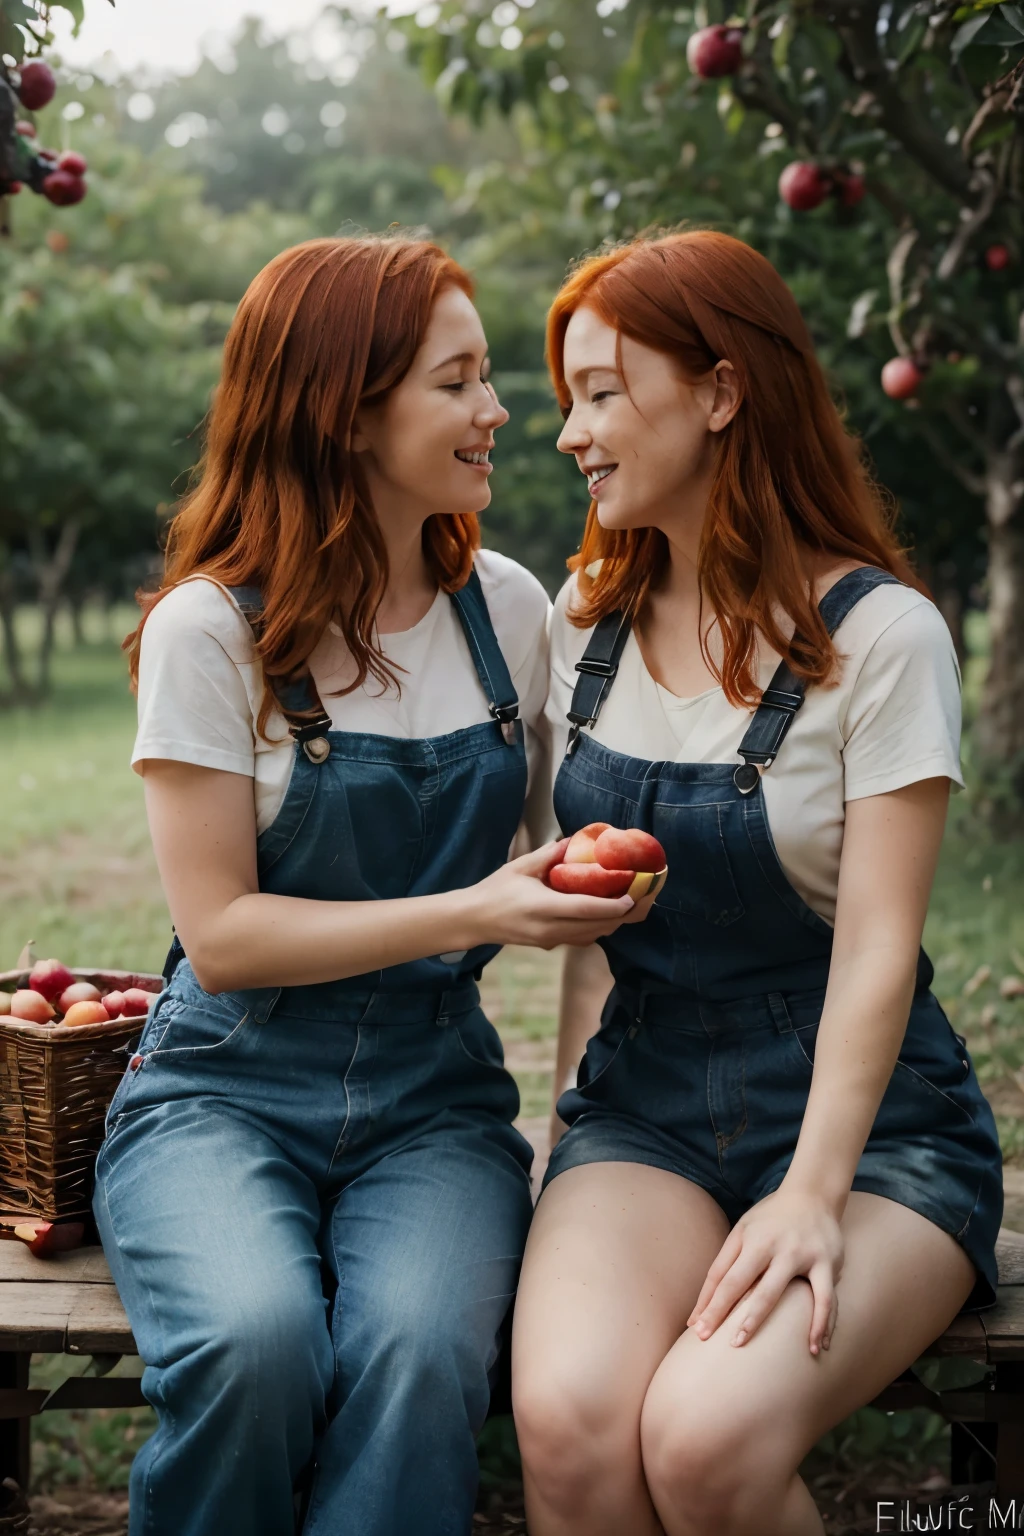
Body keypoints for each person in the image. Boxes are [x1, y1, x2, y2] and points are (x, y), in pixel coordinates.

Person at [92, 235, 637, 1536]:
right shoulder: (209, 630)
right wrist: (476, 908)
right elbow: (219, 936)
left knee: (420, 1352)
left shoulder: (509, 611)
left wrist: (573, 1121)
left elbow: (592, 895)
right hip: (218, 1095)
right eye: (459, 382)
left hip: (434, 1106)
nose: (500, 412)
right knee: (253, 1343)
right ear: (347, 412)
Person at [511, 229, 1003, 1536]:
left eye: (604, 393)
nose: (572, 434)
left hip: (875, 1131)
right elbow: (586, 925)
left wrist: (813, 1190)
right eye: (569, 402)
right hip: (646, 1102)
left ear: (722, 394)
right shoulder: (584, 623)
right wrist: (568, 1124)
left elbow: (881, 947)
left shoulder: (882, 639)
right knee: (567, 1427)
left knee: (706, 1441)